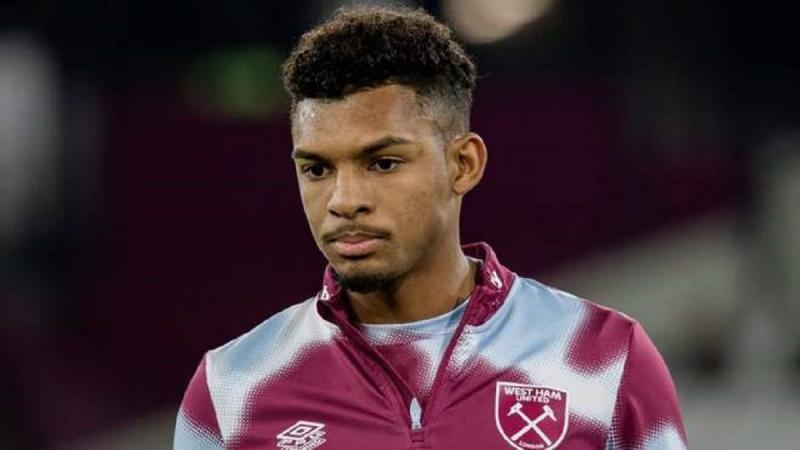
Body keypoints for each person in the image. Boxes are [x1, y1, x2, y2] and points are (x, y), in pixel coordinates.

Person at [174, 6, 687, 450]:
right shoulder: (233, 390)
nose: (344, 201)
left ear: (464, 164)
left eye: (383, 163)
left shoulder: (605, 358)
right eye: (317, 169)